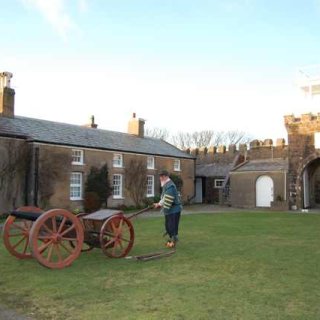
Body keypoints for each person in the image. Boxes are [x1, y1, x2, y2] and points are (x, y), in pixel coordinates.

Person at [154, 169, 182, 248]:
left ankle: (173, 241)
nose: (160, 178)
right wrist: (158, 203)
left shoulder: (170, 186)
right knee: (168, 226)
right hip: (171, 209)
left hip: (174, 209)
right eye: (160, 176)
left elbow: (167, 199)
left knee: (172, 226)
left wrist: (159, 204)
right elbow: (163, 197)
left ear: (166, 176)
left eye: (162, 176)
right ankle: (172, 240)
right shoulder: (166, 185)